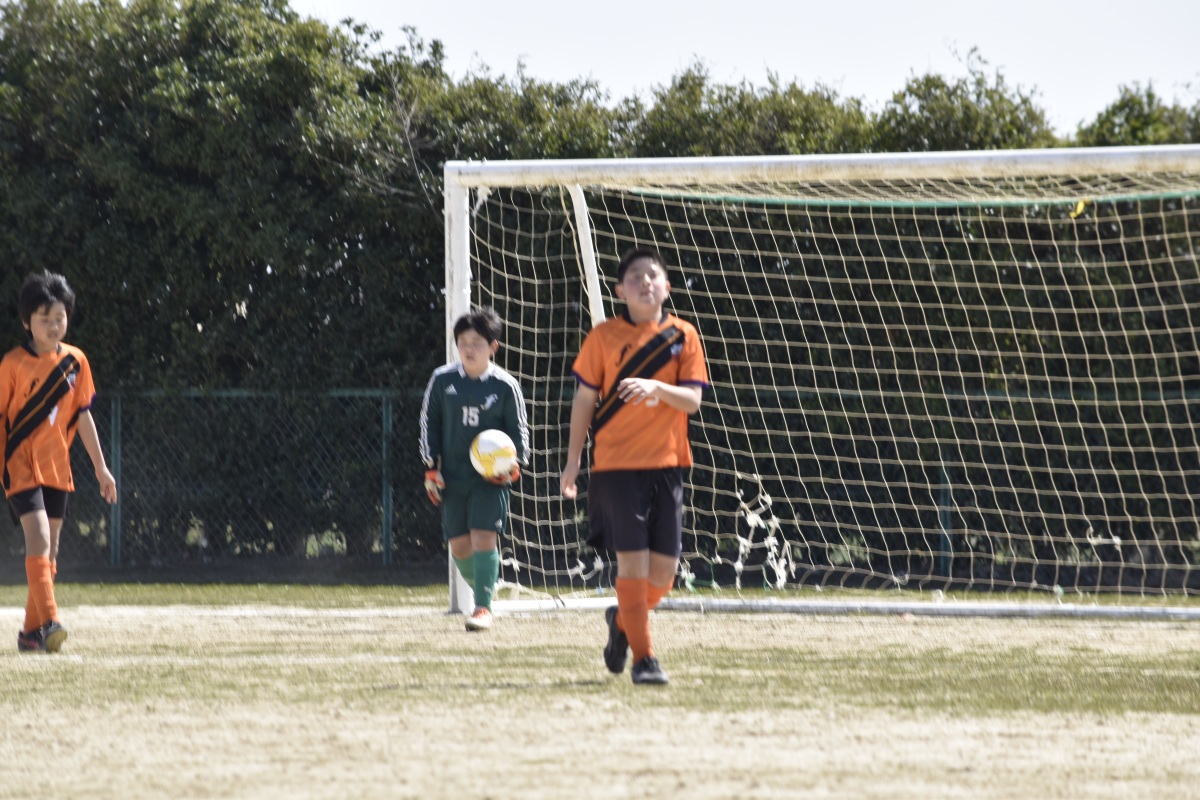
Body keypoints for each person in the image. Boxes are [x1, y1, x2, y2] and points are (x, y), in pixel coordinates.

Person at [560, 247, 709, 685]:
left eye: (653, 275)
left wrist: (655, 388)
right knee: (633, 565)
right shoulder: (603, 337)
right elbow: (584, 400)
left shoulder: (684, 335)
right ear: (619, 291)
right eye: (635, 276)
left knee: (663, 575)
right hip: (616, 469)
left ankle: (622, 621)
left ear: (667, 287)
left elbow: (693, 401)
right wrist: (573, 460)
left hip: (668, 467)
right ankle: (645, 660)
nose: (645, 281)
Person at [2, 271, 118, 653]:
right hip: (19, 466)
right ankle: (50, 619)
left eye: (60, 317)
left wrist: (101, 467)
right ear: (26, 322)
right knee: (38, 537)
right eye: (44, 318)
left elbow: (82, 416)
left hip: (57, 467)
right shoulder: (13, 364)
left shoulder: (76, 361)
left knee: (50, 552)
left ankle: (29, 633)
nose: (54, 325)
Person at [419, 307, 529, 631]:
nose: (469, 349)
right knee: (459, 546)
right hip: (452, 477)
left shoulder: (505, 385)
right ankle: (487, 587)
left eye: (477, 343)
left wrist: (516, 464)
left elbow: (519, 430)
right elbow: (429, 423)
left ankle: (483, 608)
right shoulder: (442, 380)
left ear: (493, 347)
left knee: (484, 537)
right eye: (463, 342)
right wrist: (431, 467)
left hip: (490, 479)